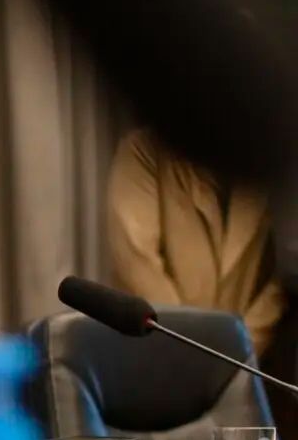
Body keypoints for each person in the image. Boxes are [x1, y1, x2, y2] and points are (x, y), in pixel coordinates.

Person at [108, 128, 285, 356]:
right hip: (151, 354)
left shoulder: (262, 170)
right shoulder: (143, 151)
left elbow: (273, 286)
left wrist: (237, 356)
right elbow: (139, 266)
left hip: (235, 363)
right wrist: (193, 353)